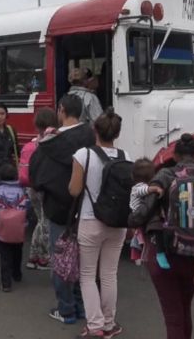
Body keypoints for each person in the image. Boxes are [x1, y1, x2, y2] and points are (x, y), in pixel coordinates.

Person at [127, 133, 194, 339]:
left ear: (174, 156)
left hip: (166, 256)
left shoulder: (165, 175)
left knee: (173, 317)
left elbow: (138, 217)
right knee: (184, 310)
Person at [29, 94, 96, 324]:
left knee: (61, 261)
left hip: (59, 210)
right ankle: (82, 307)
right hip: (87, 209)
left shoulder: (49, 144)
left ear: (61, 110)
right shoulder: (90, 136)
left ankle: (66, 310)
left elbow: (36, 178)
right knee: (83, 262)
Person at [68, 107, 129, 339]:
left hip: (90, 220)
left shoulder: (83, 154)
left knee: (87, 275)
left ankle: (95, 326)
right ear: (117, 133)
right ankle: (110, 323)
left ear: (95, 130)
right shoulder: (127, 156)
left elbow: (74, 190)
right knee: (109, 274)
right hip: (118, 223)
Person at [0, 164, 29, 292]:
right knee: (18, 252)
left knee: (5, 256)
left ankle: (6, 283)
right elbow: (27, 209)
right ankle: (17, 274)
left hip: (2, 229)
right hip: (19, 229)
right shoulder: (22, 191)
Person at [23, 107, 58, 271]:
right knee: (45, 222)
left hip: (32, 187)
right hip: (46, 188)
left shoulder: (31, 143)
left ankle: (33, 256)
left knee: (40, 220)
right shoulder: (52, 143)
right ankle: (43, 258)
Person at [129, 158, 168, 269]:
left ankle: (142, 255)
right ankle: (159, 253)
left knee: (142, 238)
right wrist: (155, 188)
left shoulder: (144, 186)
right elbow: (143, 190)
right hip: (139, 214)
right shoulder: (137, 187)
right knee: (153, 231)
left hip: (143, 214)